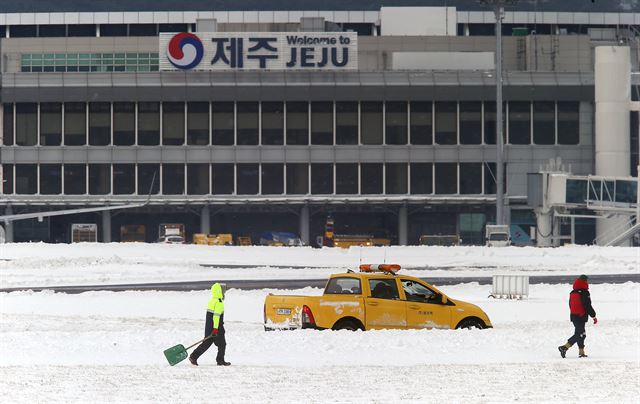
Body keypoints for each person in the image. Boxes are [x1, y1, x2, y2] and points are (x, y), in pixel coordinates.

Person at [189, 282, 231, 366]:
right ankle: (220, 361)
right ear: (220, 291)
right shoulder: (219, 302)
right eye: (223, 290)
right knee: (222, 344)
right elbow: (216, 317)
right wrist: (215, 328)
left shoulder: (212, 301)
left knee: (206, 343)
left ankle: (193, 356)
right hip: (216, 326)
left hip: (208, 326)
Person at [558, 275, 597, 358]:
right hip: (581, 316)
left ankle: (581, 352)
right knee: (580, 334)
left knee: (581, 334)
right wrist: (593, 316)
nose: (587, 282)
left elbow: (570, 305)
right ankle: (564, 347)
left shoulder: (572, 292)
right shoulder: (584, 293)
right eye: (586, 281)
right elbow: (587, 305)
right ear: (584, 282)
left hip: (574, 316)